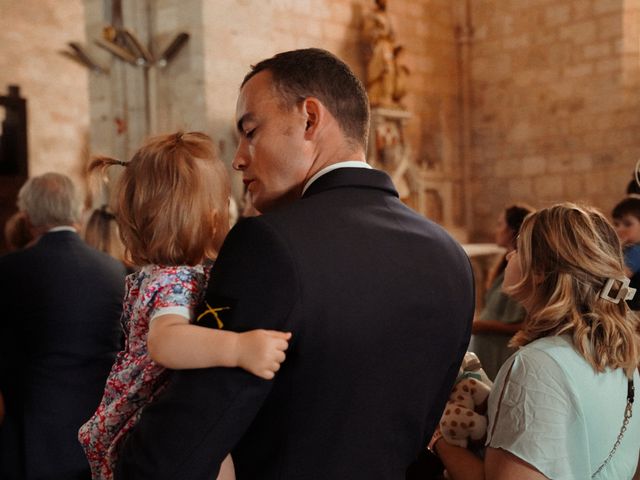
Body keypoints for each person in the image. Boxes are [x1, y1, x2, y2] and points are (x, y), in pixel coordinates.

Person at [116, 48, 474, 479]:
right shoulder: (450, 257)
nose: (238, 158)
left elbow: (188, 434)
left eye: (250, 131)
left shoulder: (269, 244)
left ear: (309, 118)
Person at [78, 132, 290, 480]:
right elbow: (166, 342)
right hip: (144, 421)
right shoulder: (172, 280)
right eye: (222, 203)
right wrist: (239, 348)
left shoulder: (166, 275)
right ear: (210, 218)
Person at [432, 203, 640, 480]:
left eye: (518, 250)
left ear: (540, 271)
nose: (508, 257)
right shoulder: (618, 354)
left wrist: (438, 438)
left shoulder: (536, 365)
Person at [0, 172, 126, 480]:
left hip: (31, 438)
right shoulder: (114, 270)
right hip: (99, 435)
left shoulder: (8, 271)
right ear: (79, 211)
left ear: (27, 216)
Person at [470, 204, 534, 380]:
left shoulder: (523, 269)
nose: (496, 230)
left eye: (500, 224)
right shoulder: (506, 264)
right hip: (489, 350)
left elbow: (526, 326)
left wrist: (480, 326)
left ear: (513, 230)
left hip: (503, 352)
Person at [612, 196, 640, 310]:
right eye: (616, 224)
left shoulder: (636, 251)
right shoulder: (629, 249)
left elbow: (618, 280)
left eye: (627, 224)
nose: (619, 229)